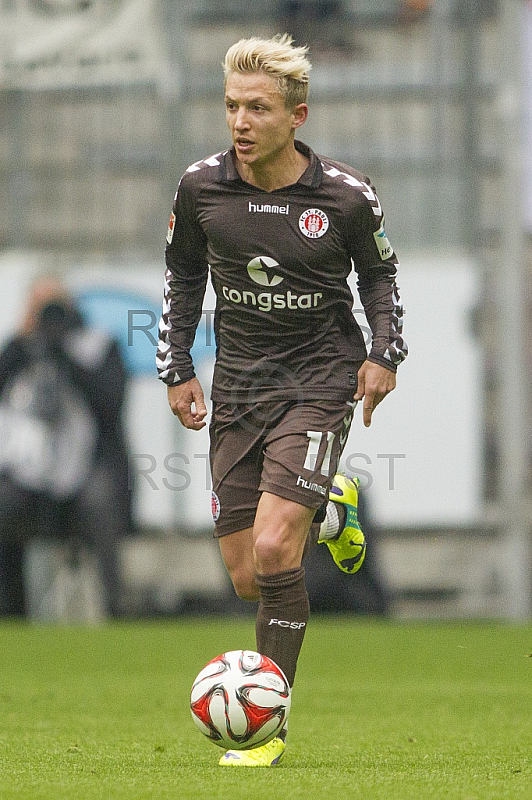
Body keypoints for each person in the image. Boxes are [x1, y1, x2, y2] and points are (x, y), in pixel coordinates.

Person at [157, 34, 407, 766]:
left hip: (319, 378)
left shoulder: (344, 195)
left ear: (297, 115)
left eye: (257, 108)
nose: (240, 121)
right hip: (239, 384)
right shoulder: (201, 187)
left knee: (274, 547)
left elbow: (382, 282)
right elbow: (180, 279)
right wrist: (177, 368)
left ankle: (270, 728)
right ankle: (333, 508)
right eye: (232, 106)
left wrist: (382, 354)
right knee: (246, 576)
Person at [0, 276, 130, 618]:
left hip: (88, 468)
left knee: (100, 500)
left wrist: (65, 353)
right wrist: (22, 344)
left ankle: (114, 607)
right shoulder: (17, 351)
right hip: (29, 473)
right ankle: (11, 610)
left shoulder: (98, 345)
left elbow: (110, 408)